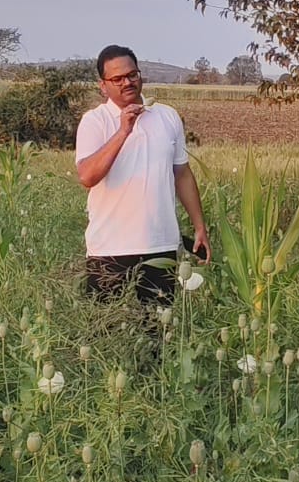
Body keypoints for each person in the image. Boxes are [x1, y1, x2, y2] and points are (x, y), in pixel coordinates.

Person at [75, 45, 209, 305]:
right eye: (117, 79)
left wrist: (199, 226)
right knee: (109, 338)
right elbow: (87, 177)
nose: (127, 82)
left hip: (161, 247)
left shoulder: (167, 116)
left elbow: (181, 173)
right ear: (103, 85)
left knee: (158, 337)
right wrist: (123, 130)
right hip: (109, 251)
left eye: (132, 75)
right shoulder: (95, 121)